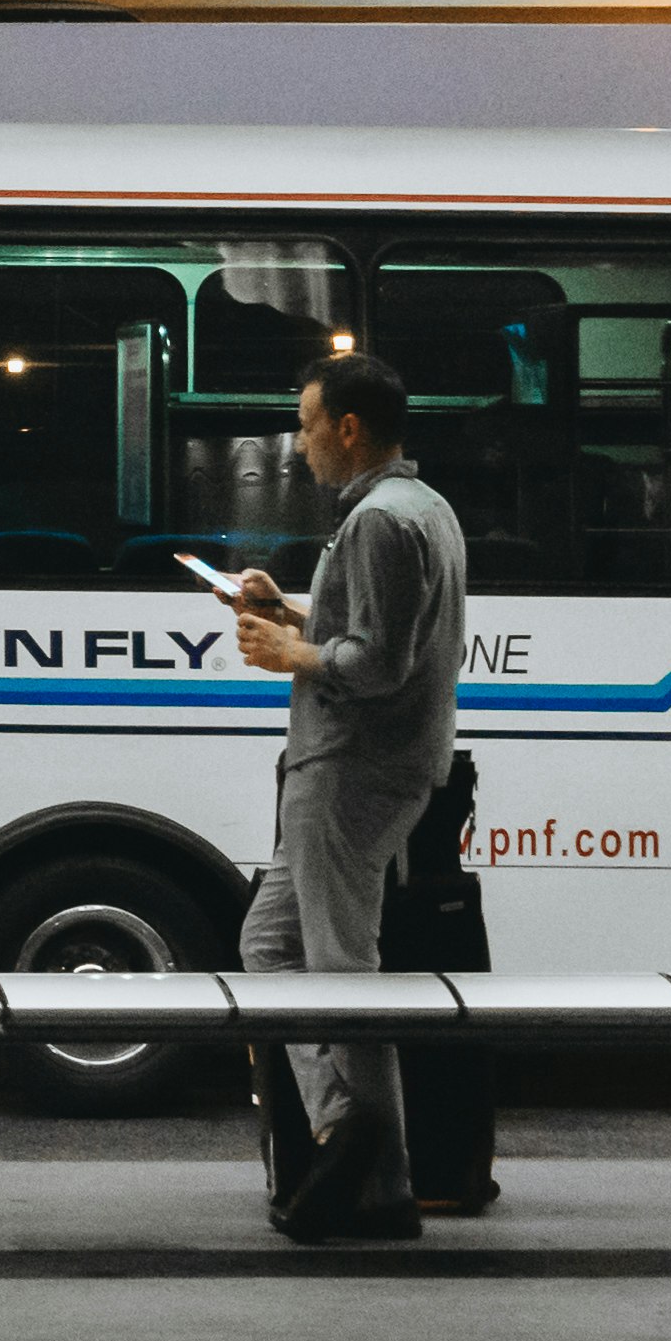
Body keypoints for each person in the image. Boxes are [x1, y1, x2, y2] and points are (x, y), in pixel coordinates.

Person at [220, 350, 466, 1247]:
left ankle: (377, 1174)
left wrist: (296, 656)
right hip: (367, 766)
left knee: (341, 971)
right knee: (271, 941)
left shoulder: (376, 523)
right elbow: (367, 631)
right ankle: (345, 1131)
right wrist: (286, 611)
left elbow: (376, 665)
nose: (301, 440)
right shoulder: (420, 508)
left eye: (308, 421)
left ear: (349, 428)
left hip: (349, 767)